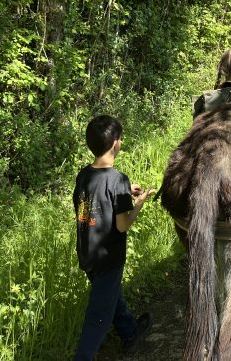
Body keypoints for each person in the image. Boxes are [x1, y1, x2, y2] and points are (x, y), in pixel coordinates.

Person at [72, 115, 152, 359]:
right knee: (97, 317)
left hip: (88, 252)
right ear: (116, 143)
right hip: (109, 257)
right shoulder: (117, 179)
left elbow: (89, 206)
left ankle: (130, 332)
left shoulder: (84, 175)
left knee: (108, 295)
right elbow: (122, 225)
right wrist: (138, 203)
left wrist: (124, 193)